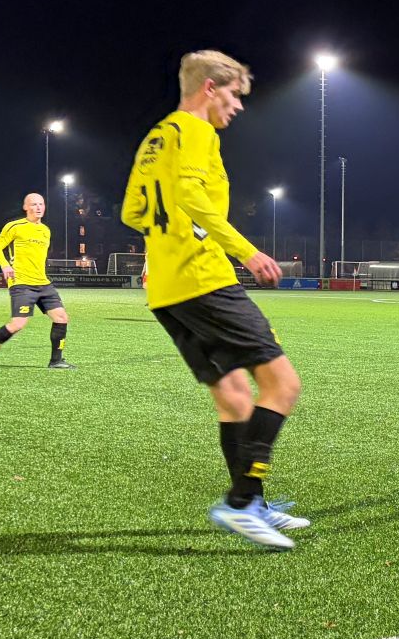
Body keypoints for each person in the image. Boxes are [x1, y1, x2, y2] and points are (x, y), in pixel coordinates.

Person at [121, 49, 306, 550]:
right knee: (283, 385)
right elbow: (191, 200)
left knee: (233, 397)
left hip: (166, 288)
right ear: (209, 89)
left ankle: (256, 503)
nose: (238, 107)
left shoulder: (155, 138)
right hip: (205, 279)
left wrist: (162, 247)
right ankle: (242, 502)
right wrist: (246, 251)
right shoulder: (196, 131)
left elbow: (134, 211)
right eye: (233, 95)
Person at [0, 193, 73, 370]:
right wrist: (5, 266)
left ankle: (56, 361)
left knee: (61, 317)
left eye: (41, 204)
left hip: (43, 283)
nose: (38, 207)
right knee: (18, 324)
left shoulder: (46, 230)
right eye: (34, 204)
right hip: (21, 283)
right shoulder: (15, 226)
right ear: (25, 207)